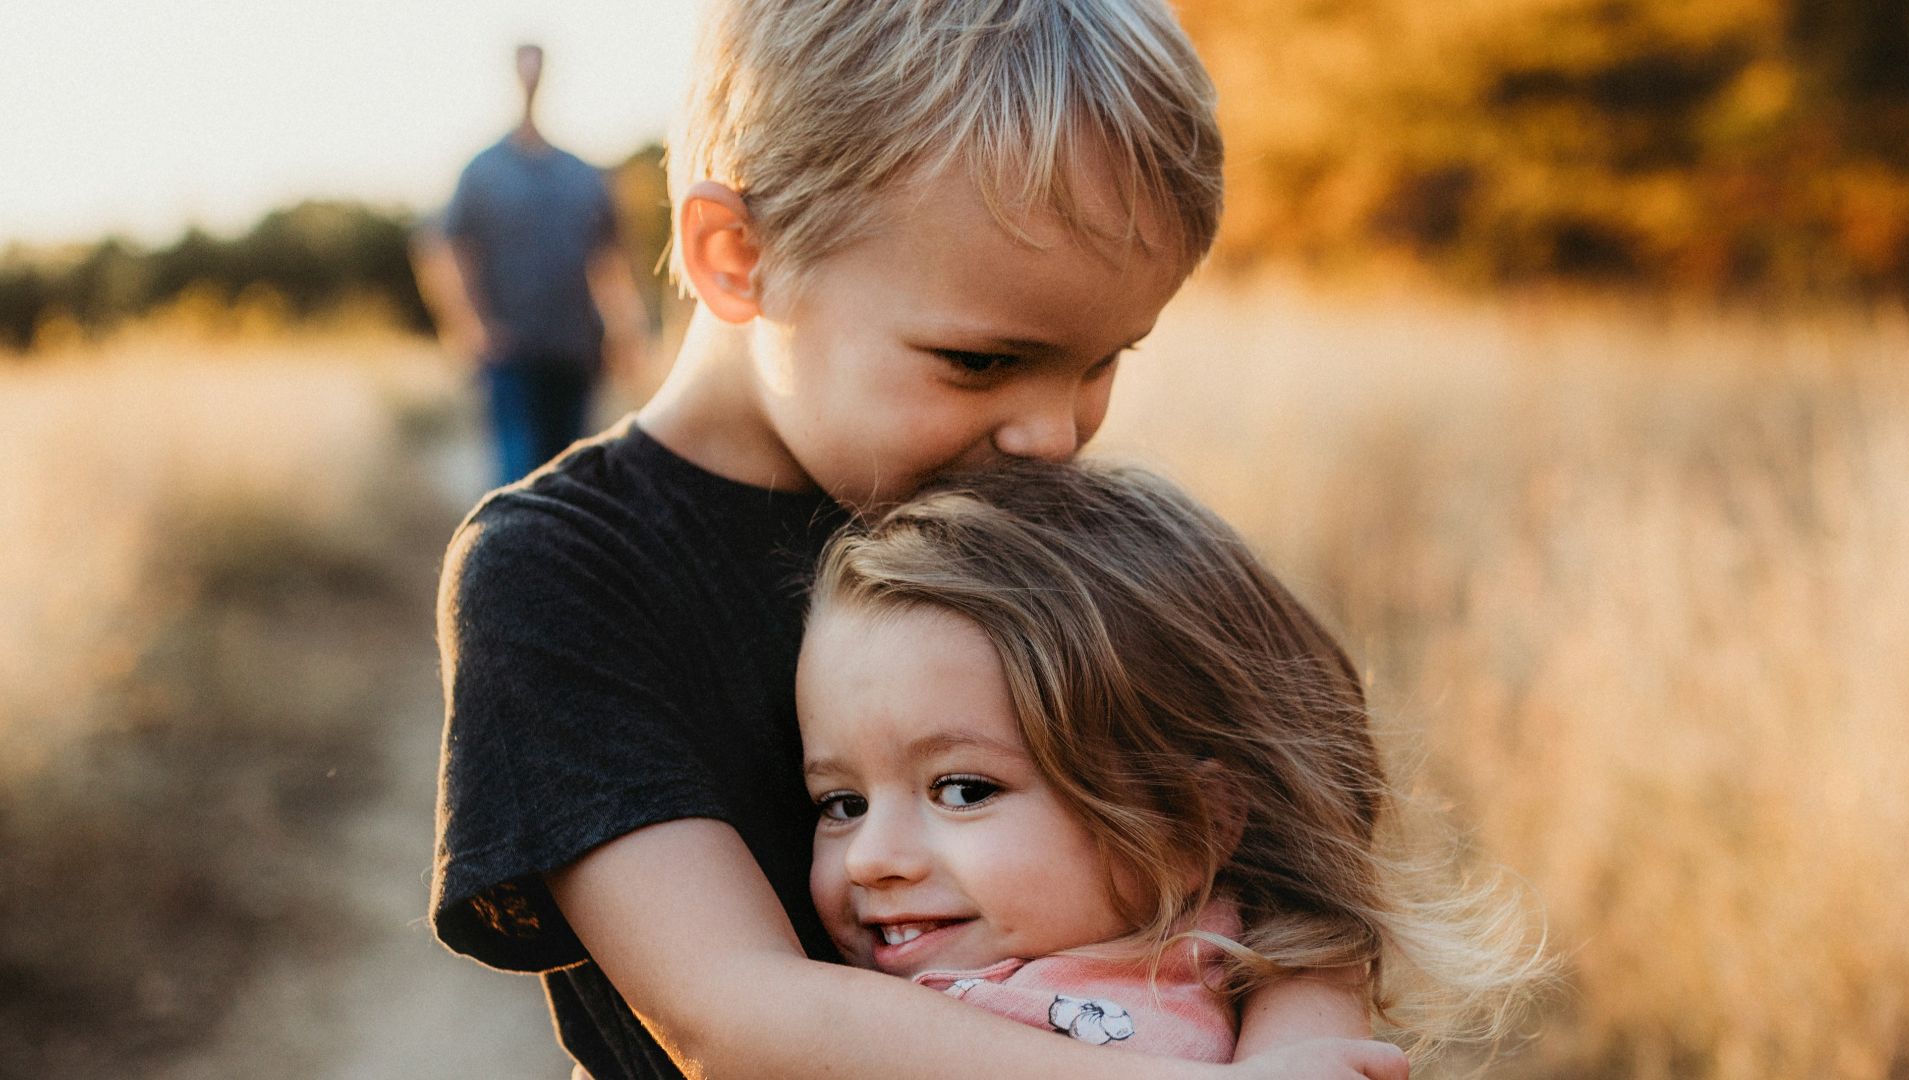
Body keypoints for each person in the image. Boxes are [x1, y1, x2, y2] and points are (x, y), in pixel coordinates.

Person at [432, 3, 1409, 1078]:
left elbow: (1305, 861)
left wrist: (1297, 1050)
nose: (1053, 437)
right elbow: (729, 1011)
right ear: (736, 255)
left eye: (1100, 361)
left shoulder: (1044, 520)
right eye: (981, 363)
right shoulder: (564, 572)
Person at [798, 460, 1548, 1066]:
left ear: (1193, 825)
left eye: (962, 790)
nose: (870, 860)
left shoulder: (1266, 991)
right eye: (841, 803)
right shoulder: (826, 1010)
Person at [412, 43, 646, 487]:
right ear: (513, 75)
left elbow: (610, 260)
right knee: (519, 477)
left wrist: (626, 332)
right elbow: (442, 248)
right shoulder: (482, 171)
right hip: (510, 354)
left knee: (568, 476)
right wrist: (469, 325)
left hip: (576, 349)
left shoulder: (581, 174)